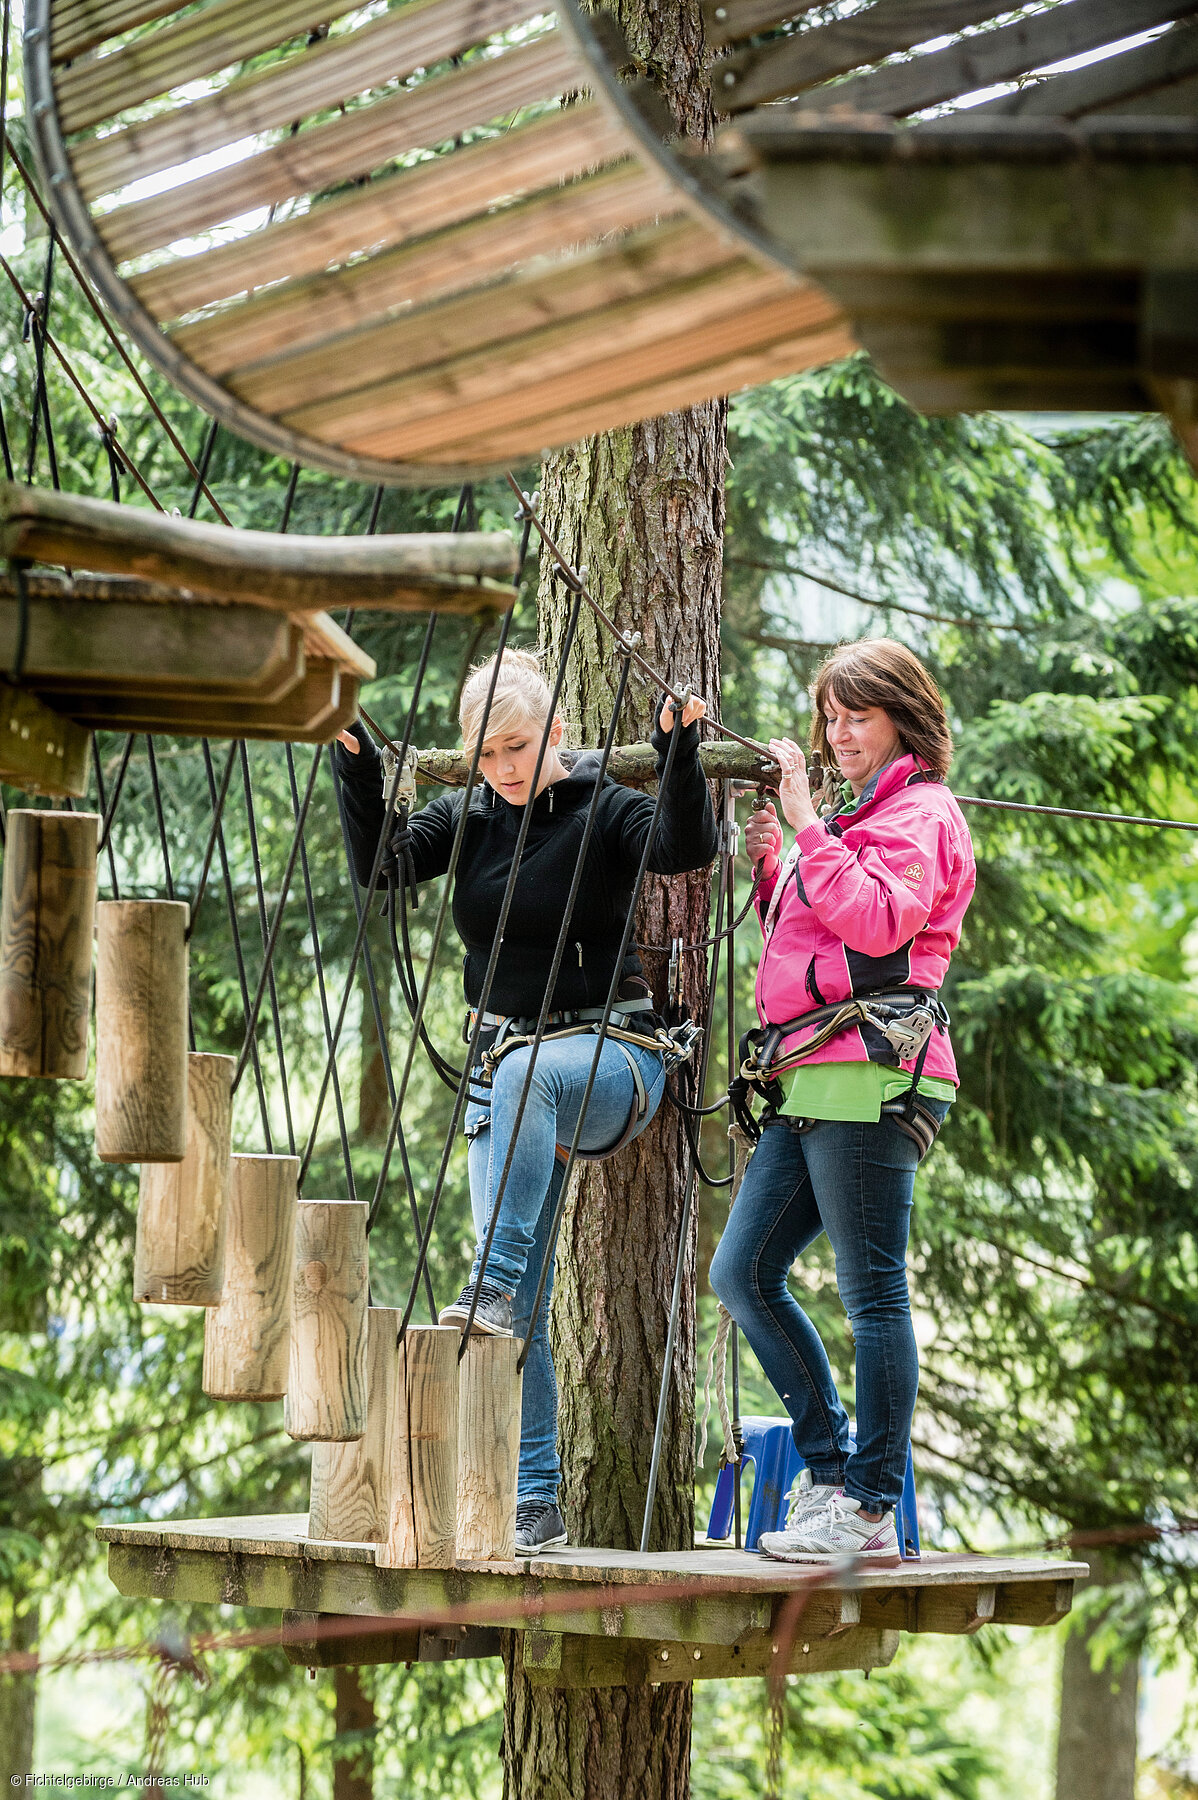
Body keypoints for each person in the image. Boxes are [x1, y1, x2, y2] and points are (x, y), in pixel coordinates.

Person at [335, 648, 717, 1554]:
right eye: (488, 754)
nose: (505, 768)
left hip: (614, 1057)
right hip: (503, 1074)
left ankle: (489, 1287)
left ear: (555, 730)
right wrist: (354, 761)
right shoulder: (467, 816)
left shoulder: (605, 806)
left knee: (500, 1252)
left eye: (519, 745)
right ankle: (535, 1500)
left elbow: (684, 846)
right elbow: (383, 867)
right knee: (523, 1302)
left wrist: (679, 754)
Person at [709, 639, 975, 1564]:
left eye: (857, 714)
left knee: (872, 1296)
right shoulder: (869, 813)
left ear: (903, 715)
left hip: (875, 1071)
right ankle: (828, 1474)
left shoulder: (925, 813)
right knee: (741, 1273)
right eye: (831, 715)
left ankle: (868, 1510)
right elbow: (822, 927)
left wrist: (807, 822)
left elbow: (877, 922)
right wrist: (777, 858)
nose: (839, 731)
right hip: (812, 1072)